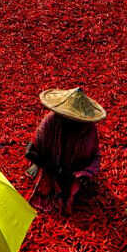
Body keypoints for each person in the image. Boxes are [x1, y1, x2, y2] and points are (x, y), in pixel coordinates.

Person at [24, 87, 105, 216]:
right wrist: (51, 167)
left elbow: (93, 157)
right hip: (50, 164)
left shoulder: (88, 131)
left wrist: (82, 174)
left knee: (73, 188)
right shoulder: (51, 122)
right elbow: (30, 151)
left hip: (73, 170)